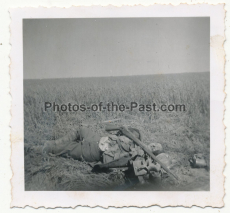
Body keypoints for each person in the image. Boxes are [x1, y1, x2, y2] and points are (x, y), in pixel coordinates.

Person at [42, 124, 172, 184]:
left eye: (155, 149)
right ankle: (54, 143)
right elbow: (123, 130)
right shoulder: (137, 139)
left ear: (153, 154)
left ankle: (43, 148)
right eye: (155, 144)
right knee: (80, 129)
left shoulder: (139, 158)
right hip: (99, 137)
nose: (153, 145)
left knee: (65, 149)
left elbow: (137, 174)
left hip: (95, 151)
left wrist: (152, 168)